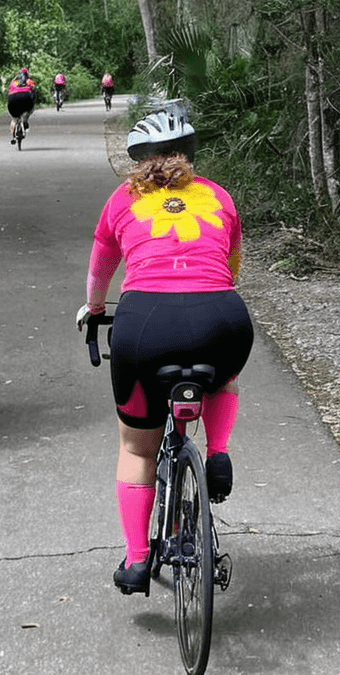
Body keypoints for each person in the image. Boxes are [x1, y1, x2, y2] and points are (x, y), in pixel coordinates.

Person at [78, 102, 253, 595]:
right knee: (225, 375)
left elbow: (99, 272)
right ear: (189, 155)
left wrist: (94, 309)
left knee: (136, 446)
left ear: (139, 159)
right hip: (221, 318)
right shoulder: (218, 196)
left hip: (144, 326)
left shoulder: (121, 201)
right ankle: (217, 451)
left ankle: (137, 560)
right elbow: (231, 262)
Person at [7, 67, 36, 142]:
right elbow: (33, 89)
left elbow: (9, 90)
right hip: (26, 98)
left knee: (14, 118)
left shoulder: (14, 81)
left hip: (13, 98)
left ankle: (13, 129)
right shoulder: (29, 81)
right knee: (30, 109)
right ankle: (25, 120)